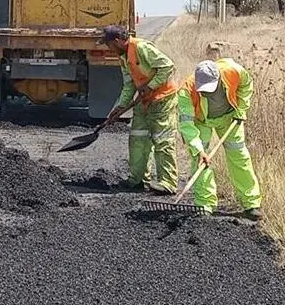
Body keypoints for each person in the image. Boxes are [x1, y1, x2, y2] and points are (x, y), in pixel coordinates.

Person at [98, 25, 179, 195]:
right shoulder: (123, 57)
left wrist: (151, 86)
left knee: (162, 141)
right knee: (138, 139)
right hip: (143, 101)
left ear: (118, 41)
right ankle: (138, 180)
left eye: (109, 45)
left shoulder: (141, 48)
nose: (109, 49)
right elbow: (129, 84)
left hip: (162, 99)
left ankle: (168, 182)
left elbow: (167, 66)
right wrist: (120, 107)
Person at [177, 58, 262, 219]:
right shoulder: (186, 91)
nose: (206, 92)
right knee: (201, 160)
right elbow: (187, 125)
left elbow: (246, 84)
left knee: (239, 156)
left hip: (230, 118)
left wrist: (241, 110)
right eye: (203, 89)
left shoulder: (233, 71)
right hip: (202, 121)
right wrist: (199, 149)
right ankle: (204, 205)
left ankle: (251, 203)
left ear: (218, 78)